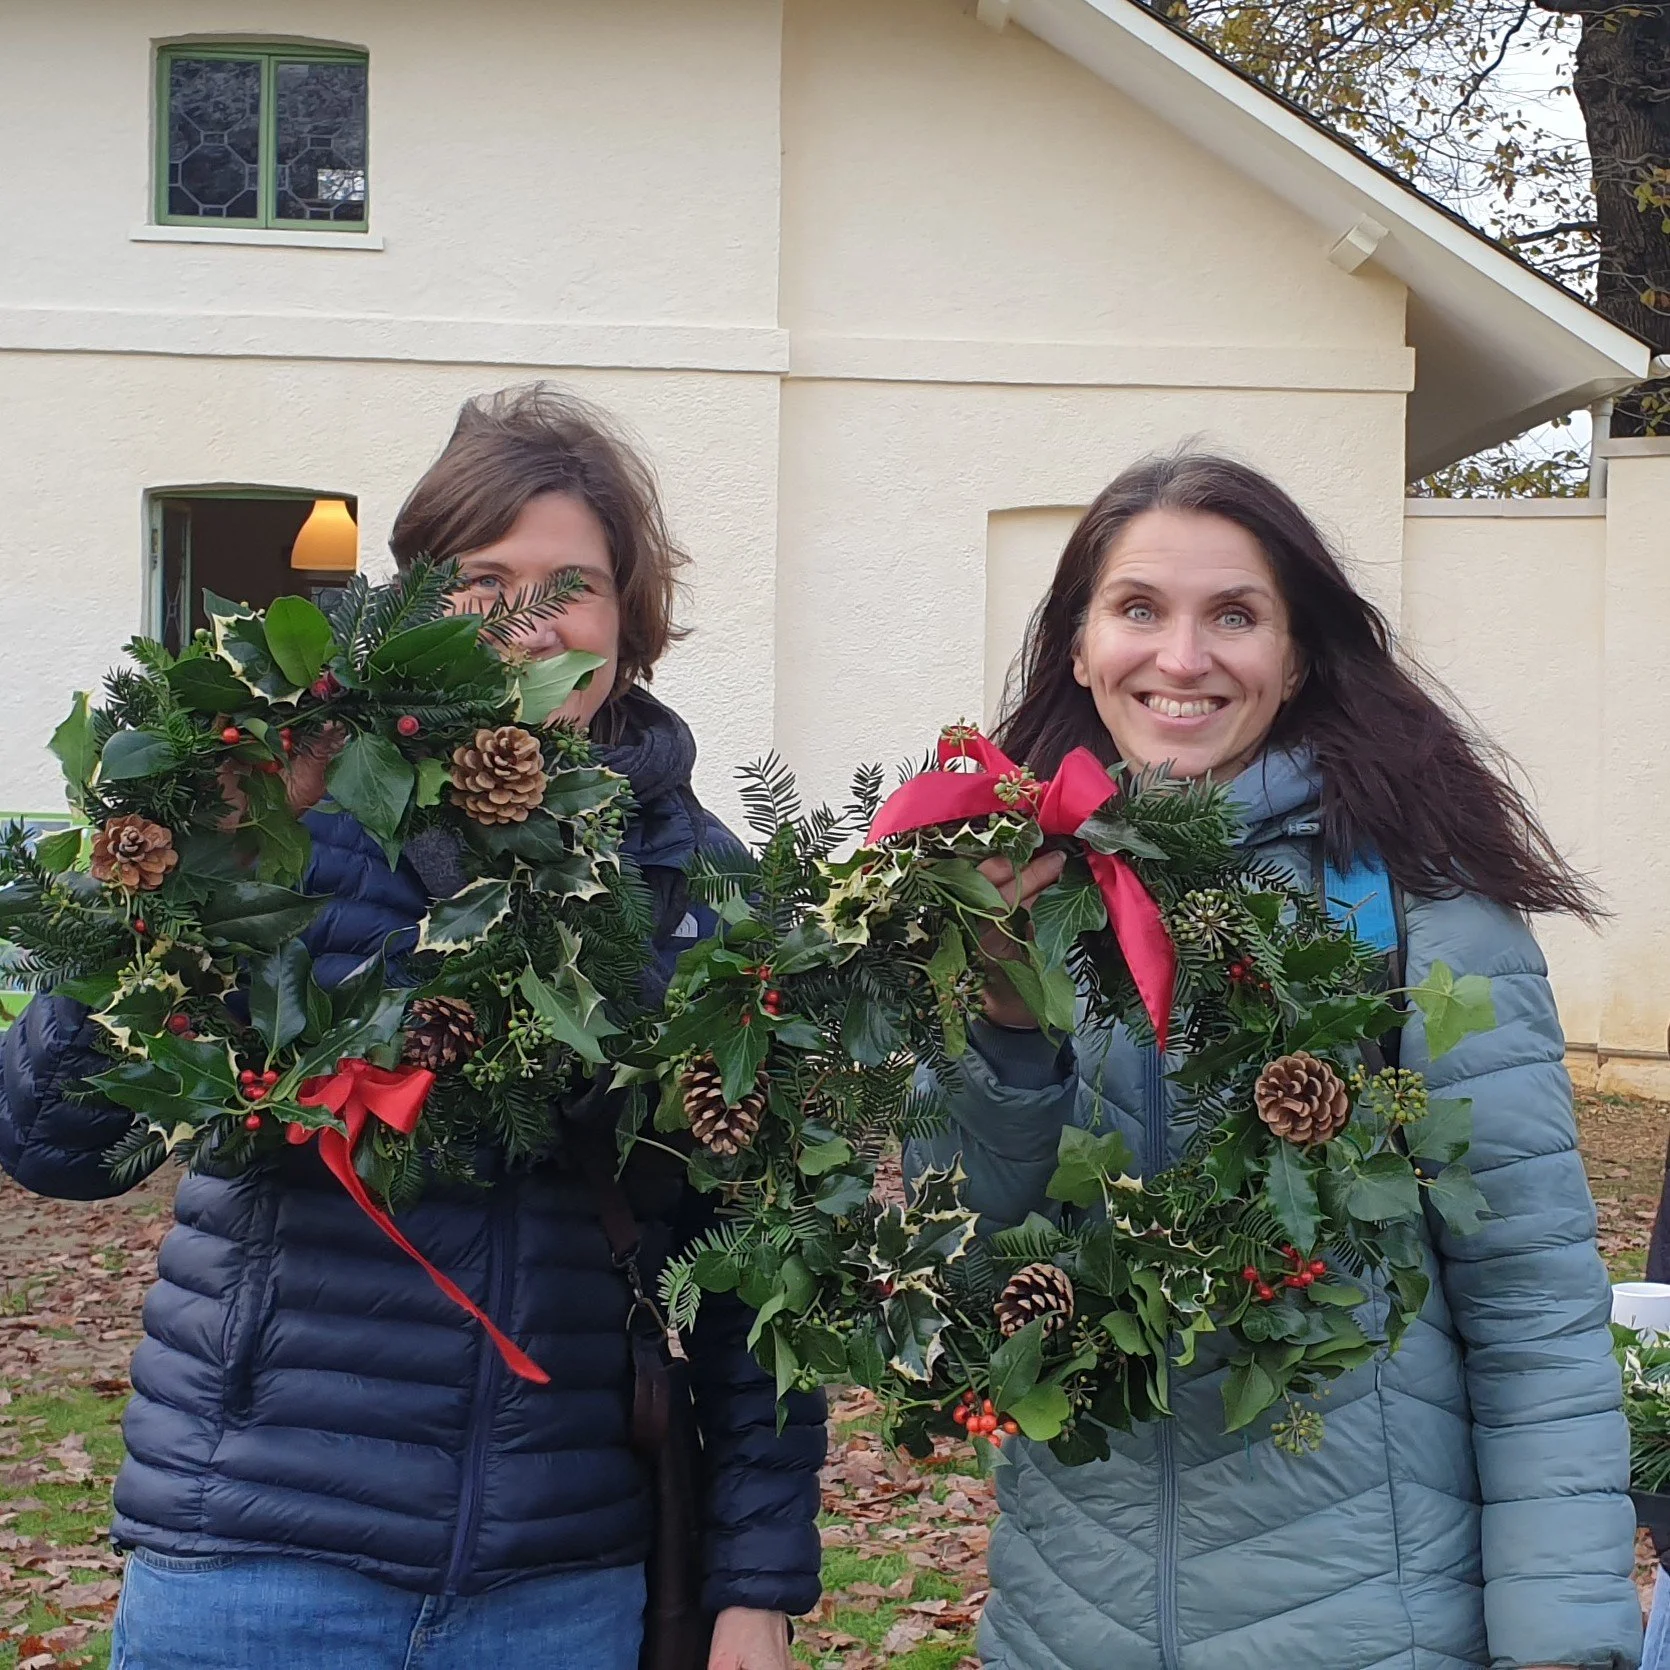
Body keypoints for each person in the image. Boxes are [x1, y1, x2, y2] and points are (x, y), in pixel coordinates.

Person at [0, 385, 825, 1670]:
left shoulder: (699, 889)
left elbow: (756, 1266)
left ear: (629, 617)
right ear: (411, 601)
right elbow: (60, 1144)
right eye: (480, 578)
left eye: (573, 583)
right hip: (257, 1553)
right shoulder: (286, 814)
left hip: (558, 1583)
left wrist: (754, 1590)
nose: (524, 622)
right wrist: (180, 865)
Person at [908, 452, 1641, 1670]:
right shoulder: (1002, 893)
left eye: (1232, 615)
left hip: (1365, 1623)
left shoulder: (1415, 909)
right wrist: (1000, 1020)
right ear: (1078, 646)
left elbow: (1531, 1308)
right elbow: (975, 1254)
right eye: (1137, 608)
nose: (1180, 658)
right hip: (1063, 1622)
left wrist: (1558, 1639)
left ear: (1294, 656)